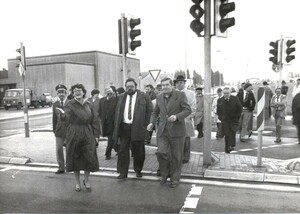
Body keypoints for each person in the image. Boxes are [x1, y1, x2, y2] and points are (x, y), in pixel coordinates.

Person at [147, 77, 192, 188]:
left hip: (177, 130)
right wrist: (151, 123)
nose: (165, 87)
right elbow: (155, 112)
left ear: (172, 85)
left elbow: (187, 110)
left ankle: (175, 178)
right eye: (163, 85)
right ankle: (165, 173)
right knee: (161, 152)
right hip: (162, 130)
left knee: (177, 156)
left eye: (167, 85)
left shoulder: (180, 95)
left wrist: (177, 117)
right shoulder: (159, 97)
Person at [60, 83, 100, 192]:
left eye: (79, 90)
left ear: (83, 92)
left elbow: (95, 120)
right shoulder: (69, 104)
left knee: (88, 157)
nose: (77, 92)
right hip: (74, 133)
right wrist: (63, 116)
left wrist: (96, 135)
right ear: (73, 93)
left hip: (87, 133)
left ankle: (86, 180)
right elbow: (66, 117)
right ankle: (77, 183)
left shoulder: (89, 104)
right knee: (75, 159)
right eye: (75, 91)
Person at [113, 78, 153, 179]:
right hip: (124, 127)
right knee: (122, 151)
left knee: (138, 151)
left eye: (131, 86)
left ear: (136, 87)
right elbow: (117, 112)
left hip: (138, 127)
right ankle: (123, 173)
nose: (129, 88)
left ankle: (138, 170)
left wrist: (146, 124)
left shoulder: (144, 96)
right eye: (127, 87)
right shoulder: (121, 97)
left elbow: (150, 111)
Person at [174, 75, 196, 164]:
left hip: (186, 119)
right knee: (176, 139)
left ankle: (186, 157)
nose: (179, 84)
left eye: (181, 83)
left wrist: (189, 116)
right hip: (175, 119)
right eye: (178, 83)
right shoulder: (173, 93)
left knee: (186, 139)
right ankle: (177, 156)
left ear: (184, 83)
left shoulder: (190, 93)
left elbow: (193, 106)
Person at [217, 87, 242, 153]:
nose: (226, 95)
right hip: (225, 120)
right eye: (225, 93)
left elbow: (239, 108)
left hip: (234, 119)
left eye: (227, 93)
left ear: (230, 93)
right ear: (223, 93)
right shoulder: (220, 100)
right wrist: (221, 117)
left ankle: (231, 145)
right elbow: (218, 110)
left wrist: (237, 117)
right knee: (227, 134)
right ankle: (227, 147)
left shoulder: (235, 99)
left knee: (232, 132)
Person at [52, 84, 68, 174]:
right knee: (59, 149)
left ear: (66, 93)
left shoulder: (70, 103)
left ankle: (70, 166)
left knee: (69, 149)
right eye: (59, 92)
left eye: (62, 92)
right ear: (57, 94)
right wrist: (54, 130)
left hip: (69, 130)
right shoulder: (55, 104)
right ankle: (61, 167)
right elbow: (54, 118)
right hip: (59, 130)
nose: (61, 94)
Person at [99, 87, 118, 160]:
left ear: (113, 93)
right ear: (105, 93)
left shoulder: (115, 100)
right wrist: (102, 118)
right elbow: (100, 110)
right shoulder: (102, 100)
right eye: (108, 93)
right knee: (111, 138)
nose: (109, 94)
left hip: (113, 123)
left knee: (111, 138)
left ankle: (108, 153)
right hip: (105, 123)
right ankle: (117, 149)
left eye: (111, 93)